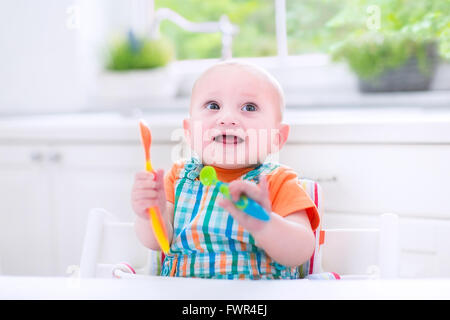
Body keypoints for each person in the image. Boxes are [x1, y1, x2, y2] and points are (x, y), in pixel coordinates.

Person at [131, 60, 320, 279]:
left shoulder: (279, 182)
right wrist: (150, 214)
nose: (228, 119)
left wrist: (266, 225)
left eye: (249, 107)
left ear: (277, 139)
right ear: (189, 131)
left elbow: (302, 251)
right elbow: (156, 242)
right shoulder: (178, 178)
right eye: (213, 106)